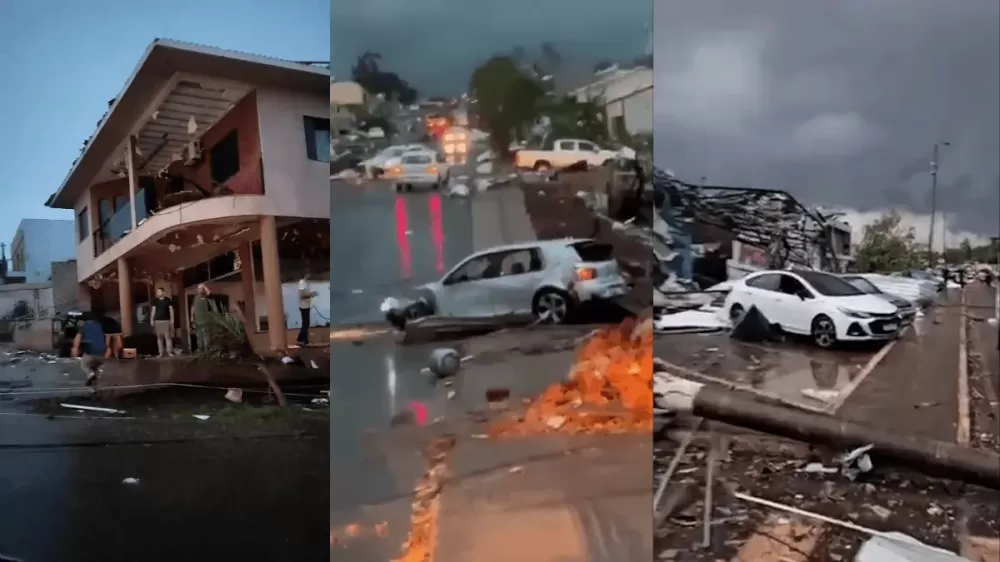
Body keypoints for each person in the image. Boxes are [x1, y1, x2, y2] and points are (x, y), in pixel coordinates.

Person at [72, 311, 107, 387]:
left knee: (84, 364)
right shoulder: (100, 326)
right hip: (102, 354)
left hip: (91, 353)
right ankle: (95, 387)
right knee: (95, 367)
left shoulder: (85, 327)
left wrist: (75, 349)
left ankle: (90, 374)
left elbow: (77, 339)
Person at [152, 287, 175, 357]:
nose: (158, 293)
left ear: (163, 292)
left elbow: (171, 310)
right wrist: (152, 320)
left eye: (160, 291)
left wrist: (172, 319)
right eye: (157, 292)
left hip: (166, 320)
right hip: (158, 321)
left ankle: (169, 352)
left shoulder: (168, 300)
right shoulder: (155, 301)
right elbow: (153, 311)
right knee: (159, 338)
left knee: (168, 337)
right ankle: (161, 353)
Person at [297, 271, 318, 346]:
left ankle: (300, 340)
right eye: (309, 274)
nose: (310, 276)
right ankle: (305, 341)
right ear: (306, 274)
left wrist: (311, 294)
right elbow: (301, 295)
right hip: (304, 306)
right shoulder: (302, 283)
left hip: (306, 305)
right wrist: (311, 294)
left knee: (305, 324)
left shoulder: (305, 283)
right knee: (306, 324)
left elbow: (305, 294)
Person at [191, 284, 212, 352]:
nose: (199, 289)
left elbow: (209, 292)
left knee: (206, 335)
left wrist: (204, 286)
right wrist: (192, 317)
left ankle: (207, 350)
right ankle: (200, 349)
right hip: (197, 320)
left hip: (205, 319)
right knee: (199, 335)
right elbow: (193, 307)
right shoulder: (195, 297)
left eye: (201, 288)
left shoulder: (205, 296)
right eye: (198, 288)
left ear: (203, 289)